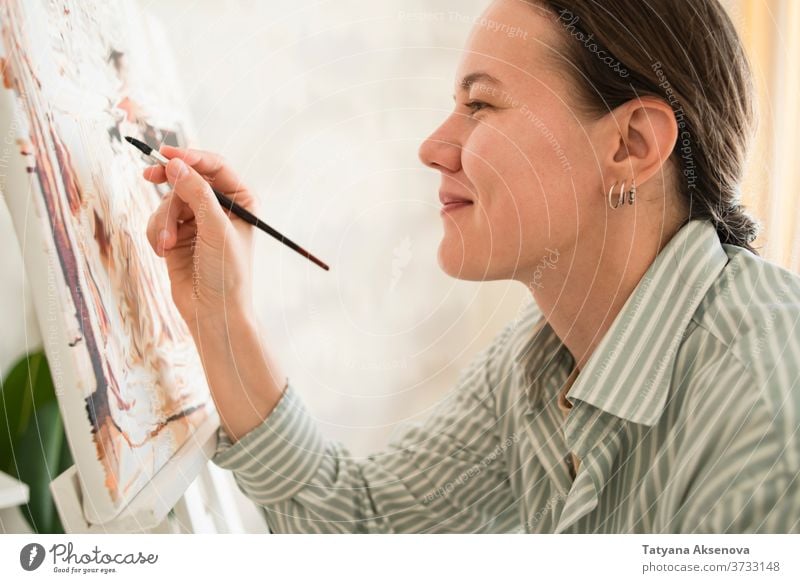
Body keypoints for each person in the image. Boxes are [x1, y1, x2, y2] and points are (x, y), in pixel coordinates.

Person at [143, 0, 800, 533]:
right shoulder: (533, 366)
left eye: (481, 104)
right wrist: (221, 314)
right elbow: (363, 530)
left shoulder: (768, 409)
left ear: (629, 145)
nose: (433, 147)